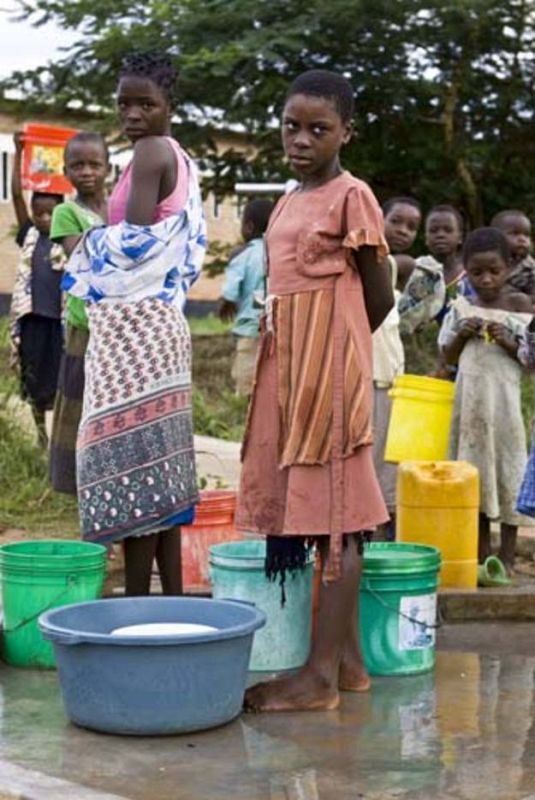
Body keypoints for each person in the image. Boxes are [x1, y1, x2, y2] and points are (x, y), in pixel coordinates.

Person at [236, 69, 393, 712]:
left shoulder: (352, 195)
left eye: (318, 129)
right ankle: (351, 664)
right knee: (324, 511)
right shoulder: (287, 198)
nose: (301, 140)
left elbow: (377, 294)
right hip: (289, 369)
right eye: (291, 127)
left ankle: (318, 676)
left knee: (340, 521)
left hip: (327, 375)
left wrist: (337, 359)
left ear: (346, 133)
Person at [63, 53, 206, 596]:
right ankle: (170, 602)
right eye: (124, 103)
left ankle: (137, 608)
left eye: (146, 103)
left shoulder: (149, 152)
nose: (133, 113)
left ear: (170, 105)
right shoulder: (180, 157)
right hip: (160, 322)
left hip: (135, 330)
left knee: (132, 465)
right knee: (160, 465)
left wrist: (84, 243)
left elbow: (134, 244)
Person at [439, 227, 533, 574]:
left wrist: (509, 340)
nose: (486, 279)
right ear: (465, 269)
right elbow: (447, 356)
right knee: (472, 477)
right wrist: (462, 334)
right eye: (477, 272)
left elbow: (530, 361)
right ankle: (479, 554)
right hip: (469, 412)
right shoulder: (463, 306)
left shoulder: (520, 306)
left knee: (509, 475)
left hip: (505, 410)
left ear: (508, 267)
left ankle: (507, 556)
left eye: (494, 271)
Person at [49, 131, 110, 494]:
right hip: (84, 323)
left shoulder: (120, 207)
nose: (87, 172)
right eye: (78, 165)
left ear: (108, 168)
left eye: (94, 164)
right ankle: (76, 483)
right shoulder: (65, 212)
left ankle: (108, 477)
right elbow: (84, 258)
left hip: (119, 326)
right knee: (78, 401)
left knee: (109, 405)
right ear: (66, 170)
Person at [9, 131, 64, 446]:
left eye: (50, 213)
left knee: (56, 381)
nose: (44, 218)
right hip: (33, 320)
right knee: (31, 379)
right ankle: (40, 433)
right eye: (38, 213)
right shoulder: (29, 235)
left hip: (59, 322)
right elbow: (17, 194)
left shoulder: (68, 239)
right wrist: (18, 153)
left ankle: (57, 435)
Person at [373, 197, 421, 529]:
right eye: (396, 222)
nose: (403, 231)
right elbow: (402, 262)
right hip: (369, 378)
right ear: (378, 219)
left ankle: (383, 527)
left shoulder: (394, 272)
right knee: (372, 458)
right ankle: (371, 528)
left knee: (389, 457)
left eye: (411, 227)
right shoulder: (380, 262)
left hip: (392, 381)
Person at [399, 204, 465, 375]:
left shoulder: (472, 276)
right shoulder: (416, 273)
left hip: (463, 363)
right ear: (426, 238)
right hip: (421, 362)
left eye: (448, 230)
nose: (440, 235)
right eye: (434, 230)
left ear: (459, 237)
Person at [220, 198, 273, 396]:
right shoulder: (278, 252)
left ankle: (245, 401)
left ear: (249, 227)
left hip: (250, 327)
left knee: (247, 371)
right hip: (279, 324)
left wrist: (227, 302)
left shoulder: (242, 255)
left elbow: (231, 290)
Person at [491, 210, 535, 301]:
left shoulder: (531, 269)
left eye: (526, 235)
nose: (522, 239)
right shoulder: (485, 262)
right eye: (515, 233)